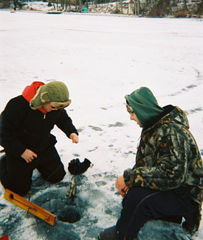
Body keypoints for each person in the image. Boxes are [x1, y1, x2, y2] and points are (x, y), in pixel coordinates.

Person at [99, 87, 203, 240]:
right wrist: (130, 181)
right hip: (173, 189)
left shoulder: (171, 132)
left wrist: (130, 178)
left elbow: (172, 176)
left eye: (132, 113)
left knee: (137, 198)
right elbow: (147, 163)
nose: (131, 118)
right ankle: (162, 217)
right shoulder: (154, 127)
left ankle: (122, 235)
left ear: (143, 110)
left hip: (185, 195)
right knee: (132, 192)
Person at [0, 81, 79, 195]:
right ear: (44, 99)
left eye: (58, 107)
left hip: (43, 146)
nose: (56, 110)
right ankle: (3, 161)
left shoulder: (54, 107)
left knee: (57, 176)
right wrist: (21, 151)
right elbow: (3, 132)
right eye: (53, 107)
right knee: (18, 189)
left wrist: (71, 132)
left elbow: (63, 119)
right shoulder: (17, 105)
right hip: (21, 150)